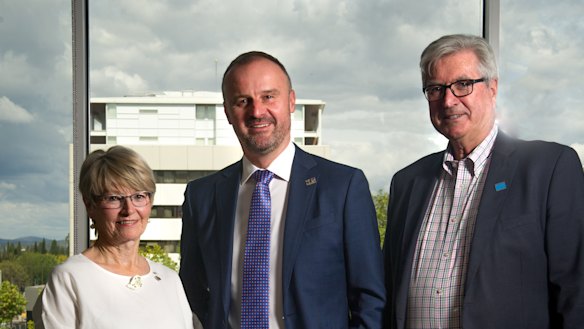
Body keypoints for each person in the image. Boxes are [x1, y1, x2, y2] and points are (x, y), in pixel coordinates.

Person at [383, 34, 584, 329]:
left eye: (463, 84)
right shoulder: (407, 183)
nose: (449, 100)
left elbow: (576, 291)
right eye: (436, 89)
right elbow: (388, 290)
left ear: (492, 88)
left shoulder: (549, 168)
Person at [179, 51, 385, 328]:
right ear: (228, 112)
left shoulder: (344, 187)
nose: (257, 111)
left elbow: (370, 300)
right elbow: (192, 293)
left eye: (268, 97)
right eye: (243, 101)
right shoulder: (201, 197)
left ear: (290, 101)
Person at [34, 145, 194, 329]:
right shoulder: (69, 278)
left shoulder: (169, 279)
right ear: (90, 205)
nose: (129, 210)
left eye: (139, 196)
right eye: (113, 198)